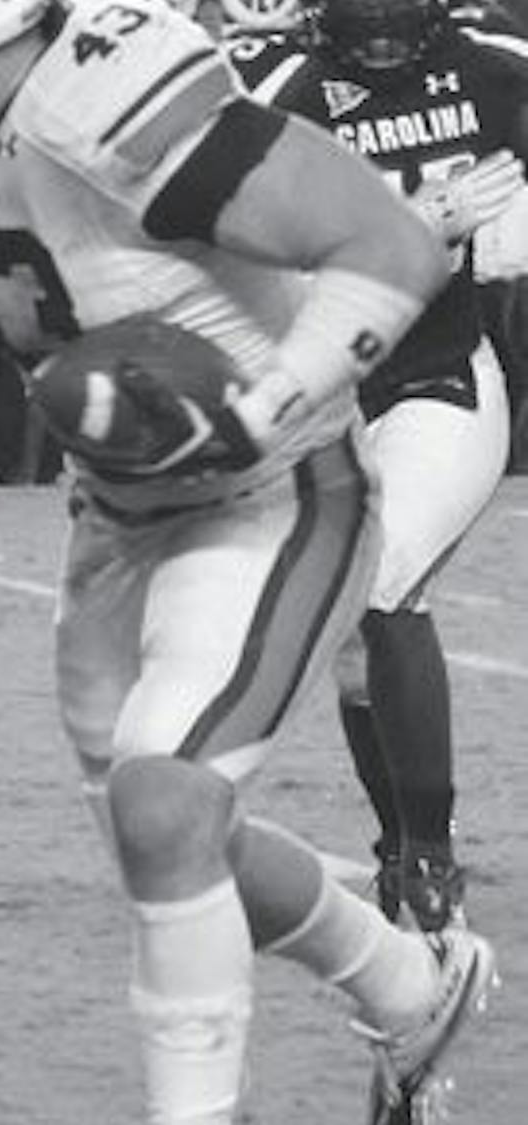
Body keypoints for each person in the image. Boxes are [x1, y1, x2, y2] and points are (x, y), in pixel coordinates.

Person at [0, 0, 500, 1120]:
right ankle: (410, 984)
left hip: (276, 491)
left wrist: (259, 409)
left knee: (166, 807)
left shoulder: (108, 98)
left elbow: (387, 245)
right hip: (116, 516)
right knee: (165, 835)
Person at [226, 0, 528, 934]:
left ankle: (430, 855)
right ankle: (401, 842)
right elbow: (253, 264)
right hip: (325, 393)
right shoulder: (276, 92)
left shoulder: (501, 70)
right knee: (355, 641)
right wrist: (421, 224)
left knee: (380, 582)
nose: (386, 33)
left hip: (440, 377)